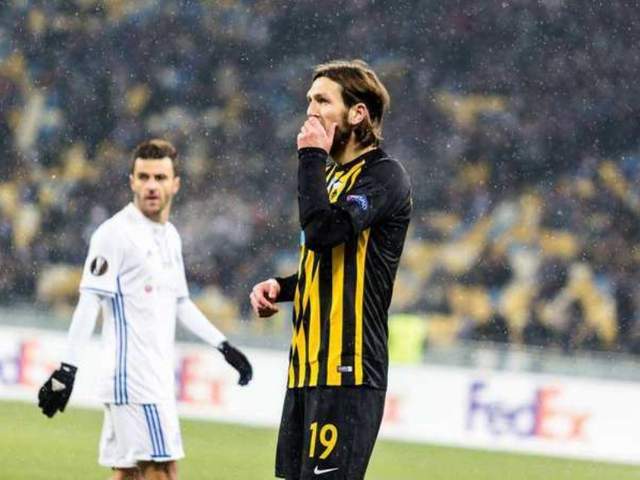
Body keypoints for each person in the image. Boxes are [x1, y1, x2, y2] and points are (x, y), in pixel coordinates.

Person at [38, 139, 253, 480]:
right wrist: (67, 370)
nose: (152, 185)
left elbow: (180, 302)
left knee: (128, 474)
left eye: (160, 177)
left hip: (154, 378)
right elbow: (89, 301)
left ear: (175, 184)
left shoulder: (170, 236)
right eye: (144, 177)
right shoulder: (115, 234)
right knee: (162, 472)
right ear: (132, 181)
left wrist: (224, 346)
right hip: (134, 381)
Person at [250, 60, 412, 480]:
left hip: (348, 370)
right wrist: (281, 287)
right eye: (309, 100)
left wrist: (309, 156)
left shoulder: (383, 176)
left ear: (357, 113)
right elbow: (328, 260)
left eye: (322, 100)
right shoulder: (332, 177)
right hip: (306, 368)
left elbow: (324, 232)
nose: (310, 110)